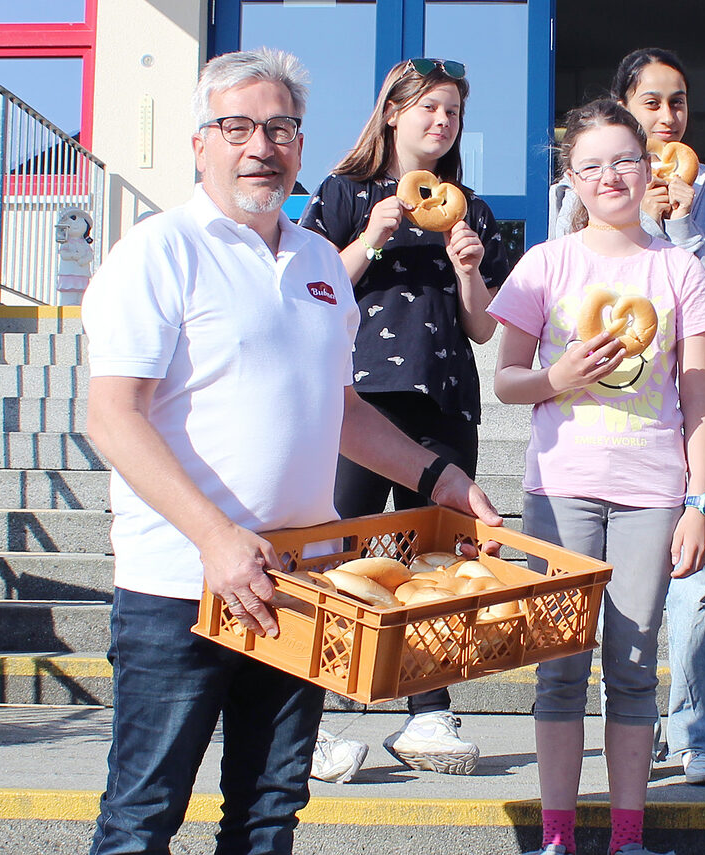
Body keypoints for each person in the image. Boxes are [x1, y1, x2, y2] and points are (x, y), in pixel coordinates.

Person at [82, 48, 501, 855]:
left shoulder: (318, 264)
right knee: (142, 817)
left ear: (302, 146)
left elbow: (339, 408)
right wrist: (214, 537)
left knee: (270, 810)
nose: (260, 145)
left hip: (299, 581)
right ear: (199, 141)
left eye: (280, 128)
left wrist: (437, 474)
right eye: (236, 126)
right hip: (182, 586)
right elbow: (112, 418)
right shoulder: (158, 250)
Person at [489, 99, 705, 855]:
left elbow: (699, 393)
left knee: (631, 668)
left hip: (653, 491)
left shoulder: (679, 268)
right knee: (559, 670)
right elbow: (504, 380)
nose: (611, 177)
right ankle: (558, 835)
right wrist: (555, 374)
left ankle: (628, 836)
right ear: (572, 176)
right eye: (591, 165)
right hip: (560, 487)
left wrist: (700, 501)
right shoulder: (546, 263)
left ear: (648, 165)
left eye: (624, 160)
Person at [300, 56, 511, 780]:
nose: (441, 122)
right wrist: (372, 237)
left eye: (451, 111)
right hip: (358, 400)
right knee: (337, 558)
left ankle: (428, 712)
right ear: (392, 112)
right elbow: (309, 295)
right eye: (427, 108)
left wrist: (468, 270)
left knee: (434, 563)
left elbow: (484, 329)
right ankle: (308, 718)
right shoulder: (343, 194)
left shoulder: (470, 209)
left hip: (444, 400)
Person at [549, 46, 705, 786]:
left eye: (678, 102)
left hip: (693, 411)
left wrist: (685, 227)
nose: (668, 118)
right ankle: (629, 732)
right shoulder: (576, 191)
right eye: (651, 103)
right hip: (598, 423)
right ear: (624, 111)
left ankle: (698, 728)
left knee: (697, 575)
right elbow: (565, 290)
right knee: (605, 601)